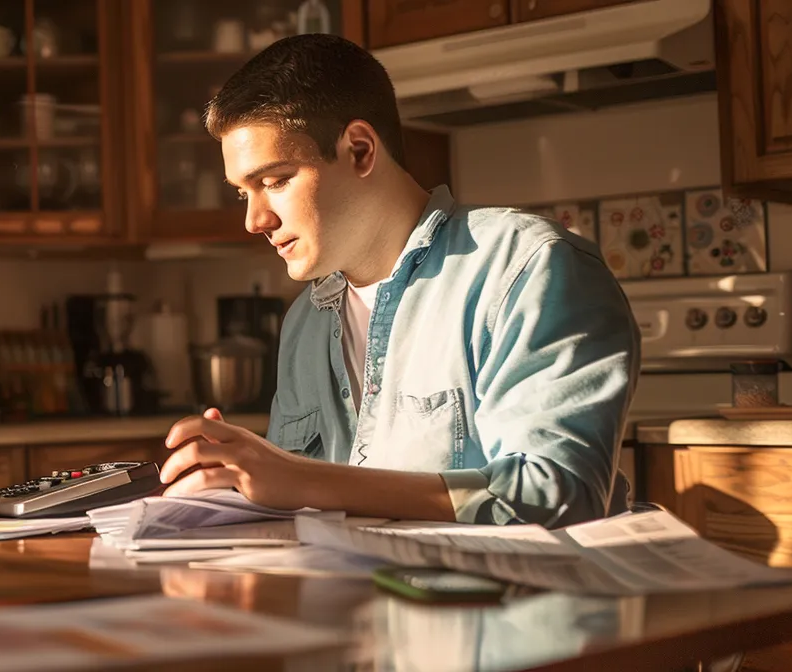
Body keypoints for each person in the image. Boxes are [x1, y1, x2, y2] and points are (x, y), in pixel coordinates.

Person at [159, 34, 639, 529]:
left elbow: (561, 495)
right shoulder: (305, 320)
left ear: (361, 150)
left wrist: (302, 479)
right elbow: (297, 508)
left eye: (275, 180)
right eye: (243, 193)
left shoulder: (528, 267)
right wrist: (240, 488)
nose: (255, 220)